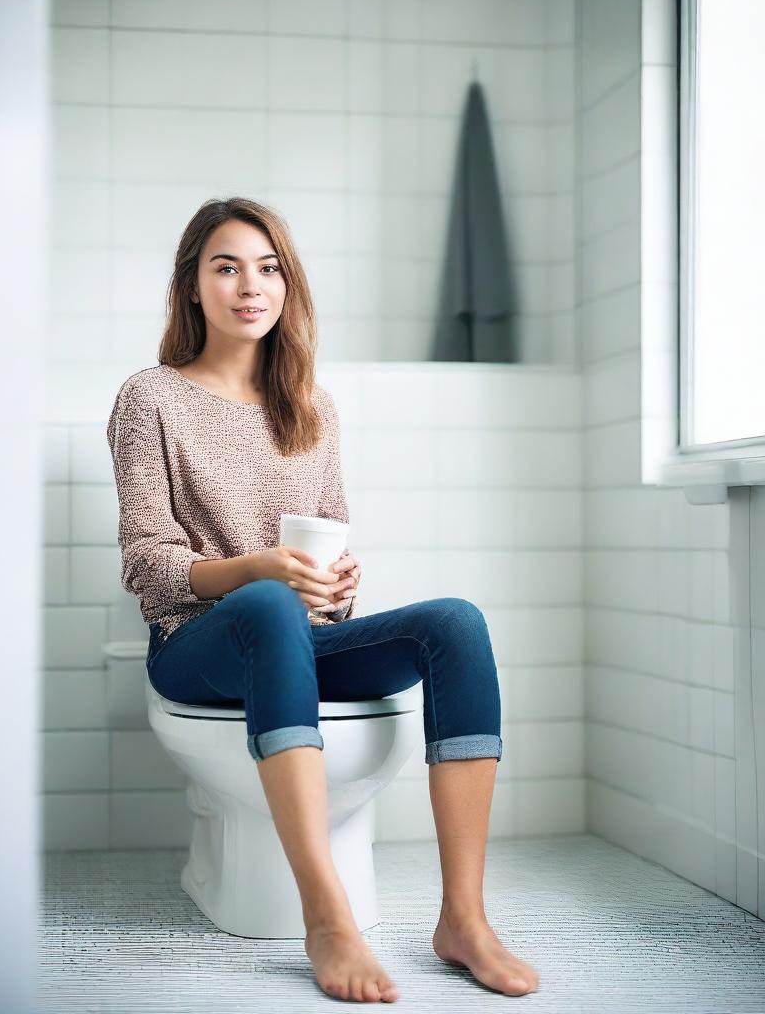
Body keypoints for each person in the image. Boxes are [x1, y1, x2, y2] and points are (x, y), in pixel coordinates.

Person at [106, 197, 539, 1003]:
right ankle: (327, 919)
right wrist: (260, 571)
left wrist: (332, 584)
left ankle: (465, 920)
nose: (250, 285)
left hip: (294, 637)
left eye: (268, 268)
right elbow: (148, 568)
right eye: (226, 266)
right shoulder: (151, 398)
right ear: (192, 286)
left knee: (455, 623)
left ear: (288, 284)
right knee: (269, 605)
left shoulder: (311, 406)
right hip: (195, 648)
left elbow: (327, 551)